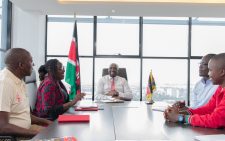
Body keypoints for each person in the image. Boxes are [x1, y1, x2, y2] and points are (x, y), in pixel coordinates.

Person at [0, 48, 52, 138]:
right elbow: (2, 127)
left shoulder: (19, 80)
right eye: (31, 62)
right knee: (54, 136)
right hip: (15, 136)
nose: (33, 64)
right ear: (21, 65)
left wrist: (46, 122)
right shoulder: (5, 83)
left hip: (26, 129)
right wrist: (38, 134)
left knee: (57, 132)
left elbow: (24, 114)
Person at [164, 53, 225, 128]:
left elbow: (216, 120)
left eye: (210, 70)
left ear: (222, 72)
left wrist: (181, 118)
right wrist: (179, 113)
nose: (209, 74)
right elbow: (208, 109)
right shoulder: (220, 88)